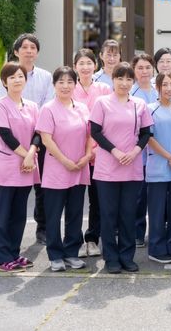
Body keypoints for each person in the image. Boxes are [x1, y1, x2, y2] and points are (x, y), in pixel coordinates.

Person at [89, 62, 154, 274]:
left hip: (132, 167)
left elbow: (146, 133)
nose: (124, 83)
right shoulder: (102, 103)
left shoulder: (139, 104)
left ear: (133, 81)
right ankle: (111, 258)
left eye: (128, 79)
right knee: (109, 215)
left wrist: (135, 151)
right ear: (113, 80)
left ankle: (127, 256)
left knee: (128, 214)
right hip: (107, 168)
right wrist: (115, 151)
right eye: (120, 78)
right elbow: (95, 131)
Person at [0, 33, 54, 245]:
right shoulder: (7, 74)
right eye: (25, 47)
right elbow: (4, 106)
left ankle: (43, 228)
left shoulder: (46, 77)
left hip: (40, 138)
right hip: (14, 141)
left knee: (43, 188)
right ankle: (7, 242)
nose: (29, 50)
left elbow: (47, 108)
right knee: (14, 191)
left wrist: (35, 144)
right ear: (16, 51)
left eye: (33, 47)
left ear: (37, 52)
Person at [37, 66, 93, 272]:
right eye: (61, 82)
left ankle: (71, 252)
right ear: (54, 85)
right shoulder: (48, 109)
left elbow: (89, 135)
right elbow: (46, 139)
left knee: (75, 213)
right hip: (57, 168)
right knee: (53, 214)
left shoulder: (82, 108)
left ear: (75, 85)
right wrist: (65, 161)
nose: (65, 86)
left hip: (79, 167)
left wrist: (87, 156)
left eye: (70, 82)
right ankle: (55, 255)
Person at [0, 62, 41, 272]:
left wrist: (31, 154)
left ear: (25, 80)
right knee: (2, 216)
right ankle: (3, 259)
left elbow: (38, 133)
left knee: (19, 216)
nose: (17, 80)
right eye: (11, 77)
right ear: (4, 82)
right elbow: (6, 135)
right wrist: (26, 155)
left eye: (20, 76)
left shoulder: (32, 106)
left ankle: (13, 253)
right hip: (5, 169)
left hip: (26, 168)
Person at [145, 73, 171, 264]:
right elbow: (149, 138)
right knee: (157, 211)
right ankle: (156, 248)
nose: (169, 88)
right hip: (158, 167)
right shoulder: (149, 109)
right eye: (165, 84)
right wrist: (170, 157)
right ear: (157, 87)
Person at [72, 48, 110, 259]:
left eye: (89, 63)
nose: (85, 67)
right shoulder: (69, 88)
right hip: (75, 155)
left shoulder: (104, 89)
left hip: (99, 154)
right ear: (75, 66)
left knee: (97, 200)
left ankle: (93, 238)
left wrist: (95, 150)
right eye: (81, 63)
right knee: (74, 201)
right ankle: (75, 240)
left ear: (95, 65)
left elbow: (108, 121)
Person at [130, 53, 157, 247]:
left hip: (160, 150)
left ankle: (157, 232)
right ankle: (137, 232)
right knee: (139, 196)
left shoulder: (160, 89)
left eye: (148, 67)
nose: (144, 71)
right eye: (140, 68)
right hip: (138, 151)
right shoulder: (131, 92)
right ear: (134, 70)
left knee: (157, 195)